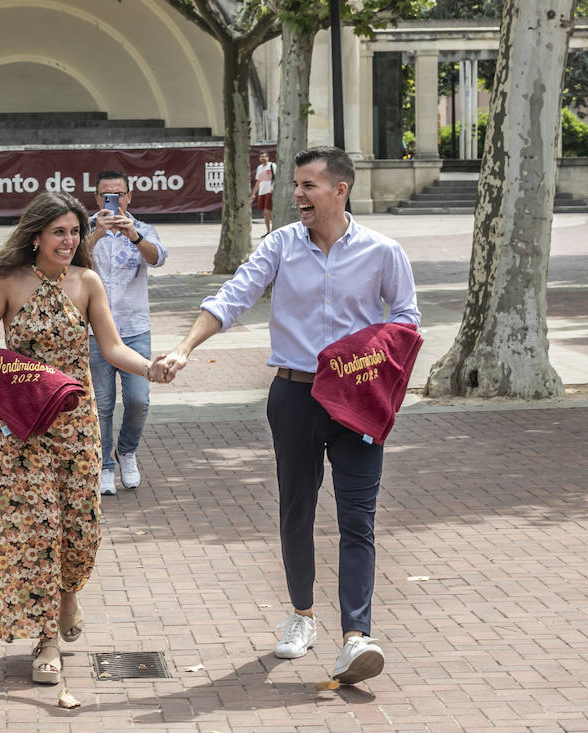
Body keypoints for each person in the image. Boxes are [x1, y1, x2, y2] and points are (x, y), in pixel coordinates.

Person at [153, 146, 419, 686]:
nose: (295, 194)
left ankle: (356, 637)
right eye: (296, 185)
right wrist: (184, 347)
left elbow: (407, 318)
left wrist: (365, 358)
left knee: (357, 518)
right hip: (295, 395)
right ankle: (301, 617)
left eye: (307, 186)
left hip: (359, 399)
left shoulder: (383, 251)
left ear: (339, 190)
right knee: (296, 510)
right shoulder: (279, 246)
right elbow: (231, 297)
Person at [0, 192, 155, 686]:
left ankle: (70, 593)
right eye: (59, 233)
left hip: (77, 423)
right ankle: (44, 639)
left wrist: (151, 367)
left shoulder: (87, 282)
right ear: (36, 236)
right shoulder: (8, 283)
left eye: (74, 232)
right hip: (24, 425)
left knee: (80, 525)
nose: (69, 241)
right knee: (36, 530)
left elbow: (112, 347)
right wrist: (8, 375)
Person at [85, 170, 167, 496]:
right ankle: (104, 465)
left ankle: (126, 450)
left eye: (119, 194)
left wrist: (133, 236)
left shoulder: (143, 229)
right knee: (102, 404)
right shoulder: (84, 229)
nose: (114, 200)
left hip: (134, 329)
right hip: (94, 331)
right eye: (107, 194)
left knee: (138, 399)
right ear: (96, 198)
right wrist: (96, 236)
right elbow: (67, 262)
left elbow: (159, 258)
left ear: (129, 197)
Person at [253, 151, 277, 235]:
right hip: (261, 192)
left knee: (267, 211)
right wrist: (253, 194)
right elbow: (258, 181)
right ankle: (268, 231)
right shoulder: (259, 168)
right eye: (261, 157)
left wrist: (273, 188)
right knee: (265, 213)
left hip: (269, 191)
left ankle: (276, 228)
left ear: (268, 157)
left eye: (264, 156)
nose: (262, 158)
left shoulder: (272, 166)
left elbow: (276, 178)